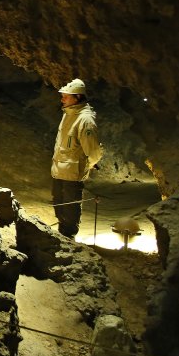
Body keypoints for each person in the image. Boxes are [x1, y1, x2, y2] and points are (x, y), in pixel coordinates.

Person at [51, 78, 104, 239]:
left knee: (70, 206)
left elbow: (93, 150)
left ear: (77, 97)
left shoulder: (85, 119)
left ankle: (69, 236)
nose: (62, 99)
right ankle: (62, 233)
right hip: (59, 169)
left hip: (73, 173)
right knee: (59, 203)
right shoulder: (68, 114)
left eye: (66, 96)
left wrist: (88, 165)